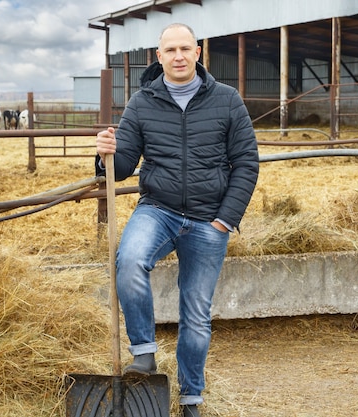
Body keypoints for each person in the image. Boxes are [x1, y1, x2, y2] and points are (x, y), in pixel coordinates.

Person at [96, 22, 259, 417]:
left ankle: (190, 400)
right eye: (171, 50)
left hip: (209, 220)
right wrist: (105, 154)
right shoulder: (142, 102)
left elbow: (246, 163)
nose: (179, 56)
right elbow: (121, 167)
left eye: (186, 49)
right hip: (159, 209)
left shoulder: (227, 100)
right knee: (130, 260)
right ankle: (144, 353)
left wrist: (225, 219)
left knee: (196, 315)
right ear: (159, 56)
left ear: (199, 52)